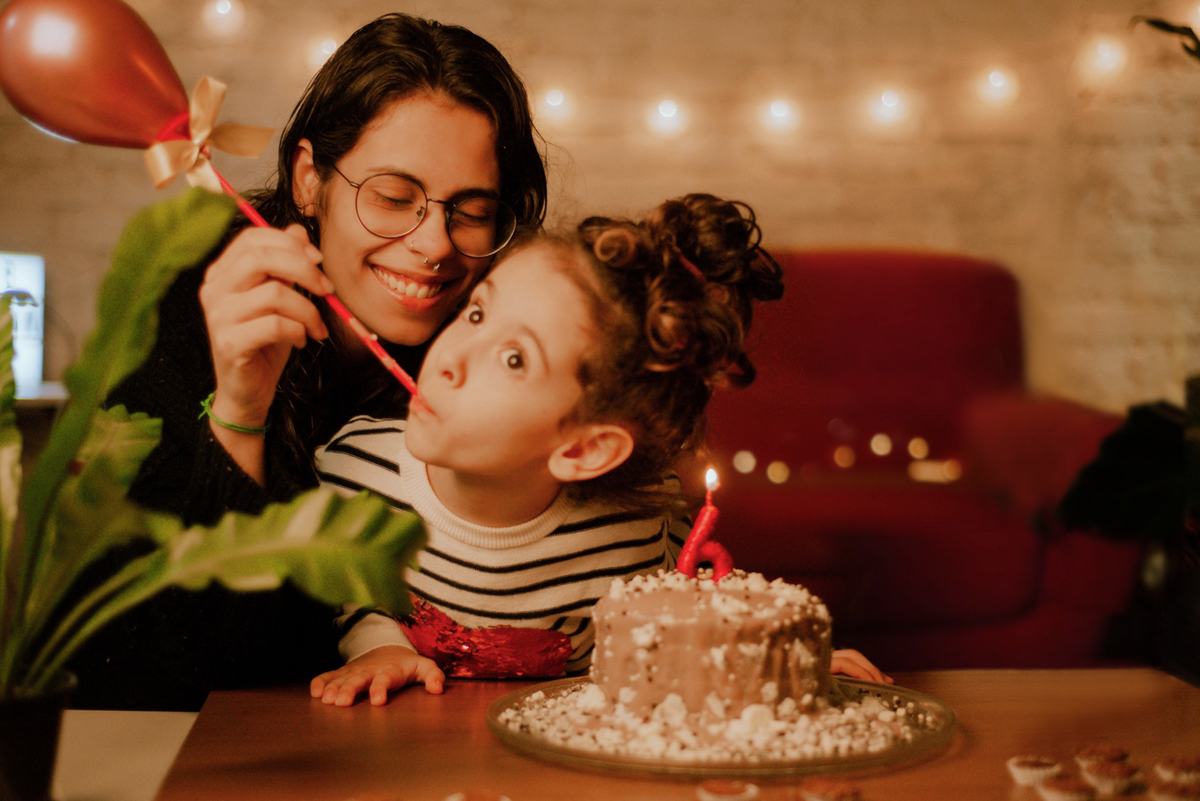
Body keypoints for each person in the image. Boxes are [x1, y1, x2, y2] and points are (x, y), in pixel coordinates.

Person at [67, 13, 548, 711]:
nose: (435, 244)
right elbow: (191, 658)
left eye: (471, 211)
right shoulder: (190, 317)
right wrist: (240, 411)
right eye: (394, 198)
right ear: (307, 180)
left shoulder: (493, 348)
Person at [308, 194, 891, 707]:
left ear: (585, 450)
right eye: (477, 313)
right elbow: (350, 596)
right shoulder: (354, 470)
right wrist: (378, 648)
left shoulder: (632, 540)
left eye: (514, 358)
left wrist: (772, 663)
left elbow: (682, 638)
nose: (451, 358)